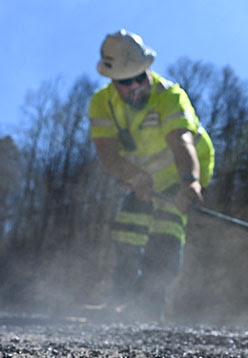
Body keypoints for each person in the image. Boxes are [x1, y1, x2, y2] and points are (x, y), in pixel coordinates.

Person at [88, 29, 214, 319]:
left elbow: (181, 142)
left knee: (166, 226)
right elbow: (107, 155)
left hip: (183, 172)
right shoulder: (101, 104)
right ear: (112, 81)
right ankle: (119, 298)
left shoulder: (169, 95)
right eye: (125, 81)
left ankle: (149, 304)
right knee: (128, 225)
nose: (135, 86)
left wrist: (190, 182)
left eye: (139, 77)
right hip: (142, 175)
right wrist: (132, 176)